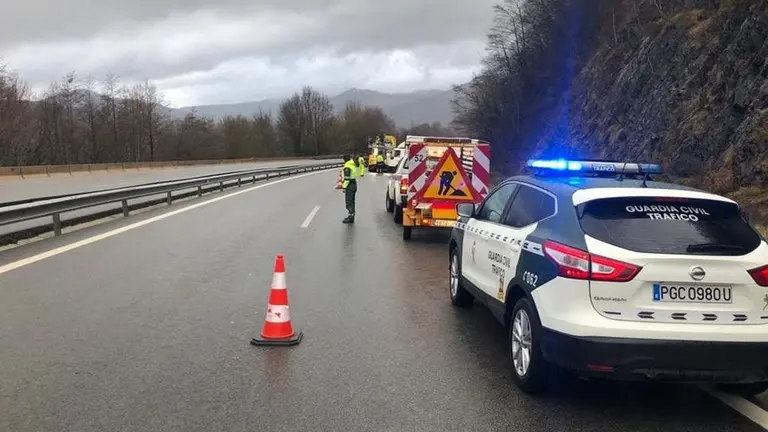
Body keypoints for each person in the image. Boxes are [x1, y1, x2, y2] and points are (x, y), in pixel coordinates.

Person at [341, 155, 358, 224]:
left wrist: (344, 187)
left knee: (349, 202)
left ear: (344, 160)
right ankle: (352, 216)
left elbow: (347, 179)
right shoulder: (352, 165)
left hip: (349, 185)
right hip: (354, 184)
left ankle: (350, 217)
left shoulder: (347, 167)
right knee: (352, 201)